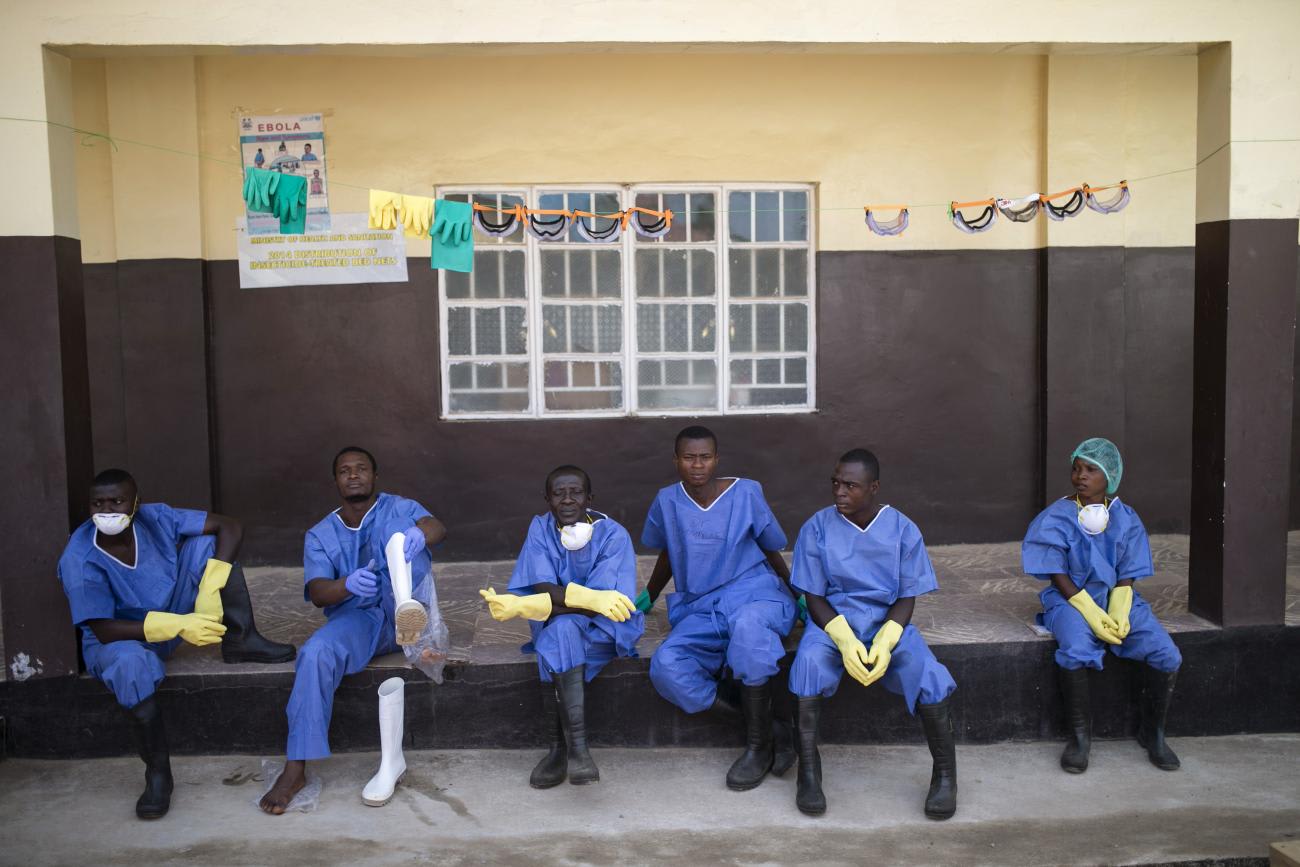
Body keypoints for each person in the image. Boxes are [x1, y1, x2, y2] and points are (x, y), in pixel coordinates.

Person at [56, 469, 295, 819]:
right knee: (131, 666)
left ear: (135, 503)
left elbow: (228, 525)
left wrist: (211, 587)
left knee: (208, 546)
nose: (108, 511)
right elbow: (104, 629)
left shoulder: (155, 517)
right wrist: (181, 624)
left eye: (118, 501)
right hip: (123, 640)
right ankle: (158, 773)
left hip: (170, 612)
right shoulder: (79, 558)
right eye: (99, 503)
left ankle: (242, 638)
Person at [259, 446, 446, 813]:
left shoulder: (399, 507)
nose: (354, 475)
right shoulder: (319, 534)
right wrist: (347, 584)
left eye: (361, 468)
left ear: (375, 476)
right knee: (315, 653)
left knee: (402, 538)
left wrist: (420, 534)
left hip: (404, 605)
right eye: (345, 470)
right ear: (336, 481)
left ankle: (411, 620)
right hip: (358, 620)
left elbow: (437, 527)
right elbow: (317, 593)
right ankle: (295, 768)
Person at [786, 449, 957, 819]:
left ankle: (945, 776)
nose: (839, 492)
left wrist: (885, 639)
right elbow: (813, 596)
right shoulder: (817, 527)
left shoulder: (902, 529)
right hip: (832, 622)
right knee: (809, 665)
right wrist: (844, 640)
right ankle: (809, 774)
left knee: (927, 674)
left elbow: (907, 595)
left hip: (888, 623)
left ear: (874, 487)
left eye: (851, 485)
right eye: (835, 483)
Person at [638, 425, 797, 791]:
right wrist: (647, 595)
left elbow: (770, 547)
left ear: (716, 459)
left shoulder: (746, 492)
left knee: (748, 630)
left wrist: (797, 593)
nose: (697, 466)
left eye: (705, 457)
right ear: (676, 460)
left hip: (754, 594)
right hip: (702, 607)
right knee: (666, 666)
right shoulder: (667, 500)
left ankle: (756, 749)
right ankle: (770, 728)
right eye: (689, 458)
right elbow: (669, 552)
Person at [1022, 437, 1182, 774]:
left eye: (1091, 469)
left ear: (1110, 476)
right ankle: (1080, 738)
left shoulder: (1126, 518)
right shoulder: (1056, 517)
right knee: (1077, 648)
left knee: (1166, 653)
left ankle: (1153, 734)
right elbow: (1057, 574)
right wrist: (1090, 611)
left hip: (1117, 597)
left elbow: (1127, 574)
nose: (1081, 475)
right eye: (1077, 468)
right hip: (1069, 599)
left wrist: (1120, 609)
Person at [479, 465, 643, 786]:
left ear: (590, 498)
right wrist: (575, 598)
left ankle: (562, 748)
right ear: (547, 499)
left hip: (604, 627)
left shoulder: (612, 535)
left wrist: (532, 605)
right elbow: (542, 585)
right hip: (557, 620)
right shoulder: (540, 529)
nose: (567, 500)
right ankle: (571, 751)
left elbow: (603, 605)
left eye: (576, 492)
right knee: (560, 631)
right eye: (558, 493)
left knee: (557, 633)